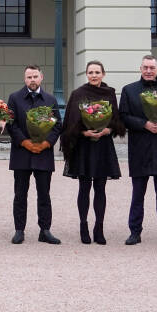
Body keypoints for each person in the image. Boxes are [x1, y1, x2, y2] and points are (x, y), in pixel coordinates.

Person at [119, 54, 157, 246]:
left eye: (151, 68)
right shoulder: (129, 90)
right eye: (145, 67)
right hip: (140, 148)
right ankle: (135, 232)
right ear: (140, 69)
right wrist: (144, 124)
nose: (148, 71)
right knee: (138, 194)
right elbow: (123, 116)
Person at [61, 60, 125, 245]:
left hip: (103, 145)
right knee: (84, 188)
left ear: (103, 74)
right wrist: (83, 132)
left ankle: (99, 228)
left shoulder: (109, 93)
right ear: (86, 74)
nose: (94, 75)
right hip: (84, 146)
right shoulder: (78, 94)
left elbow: (116, 120)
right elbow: (70, 123)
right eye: (91, 72)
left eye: (97, 72)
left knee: (100, 188)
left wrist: (109, 130)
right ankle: (83, 225)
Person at [6, 65, 63, 244]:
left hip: (43, 153)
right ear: (24, 79)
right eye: (29, 77)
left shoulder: (50, 99)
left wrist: (46, 144)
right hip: (22, 152)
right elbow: (11, 124)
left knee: (44, 194)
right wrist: (25, 142)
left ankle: (45, 230)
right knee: (20, 194)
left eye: (35, 76)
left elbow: (57, 125)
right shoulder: (14, 98)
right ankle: (19, 230)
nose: (32, 80)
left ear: (41, 77)